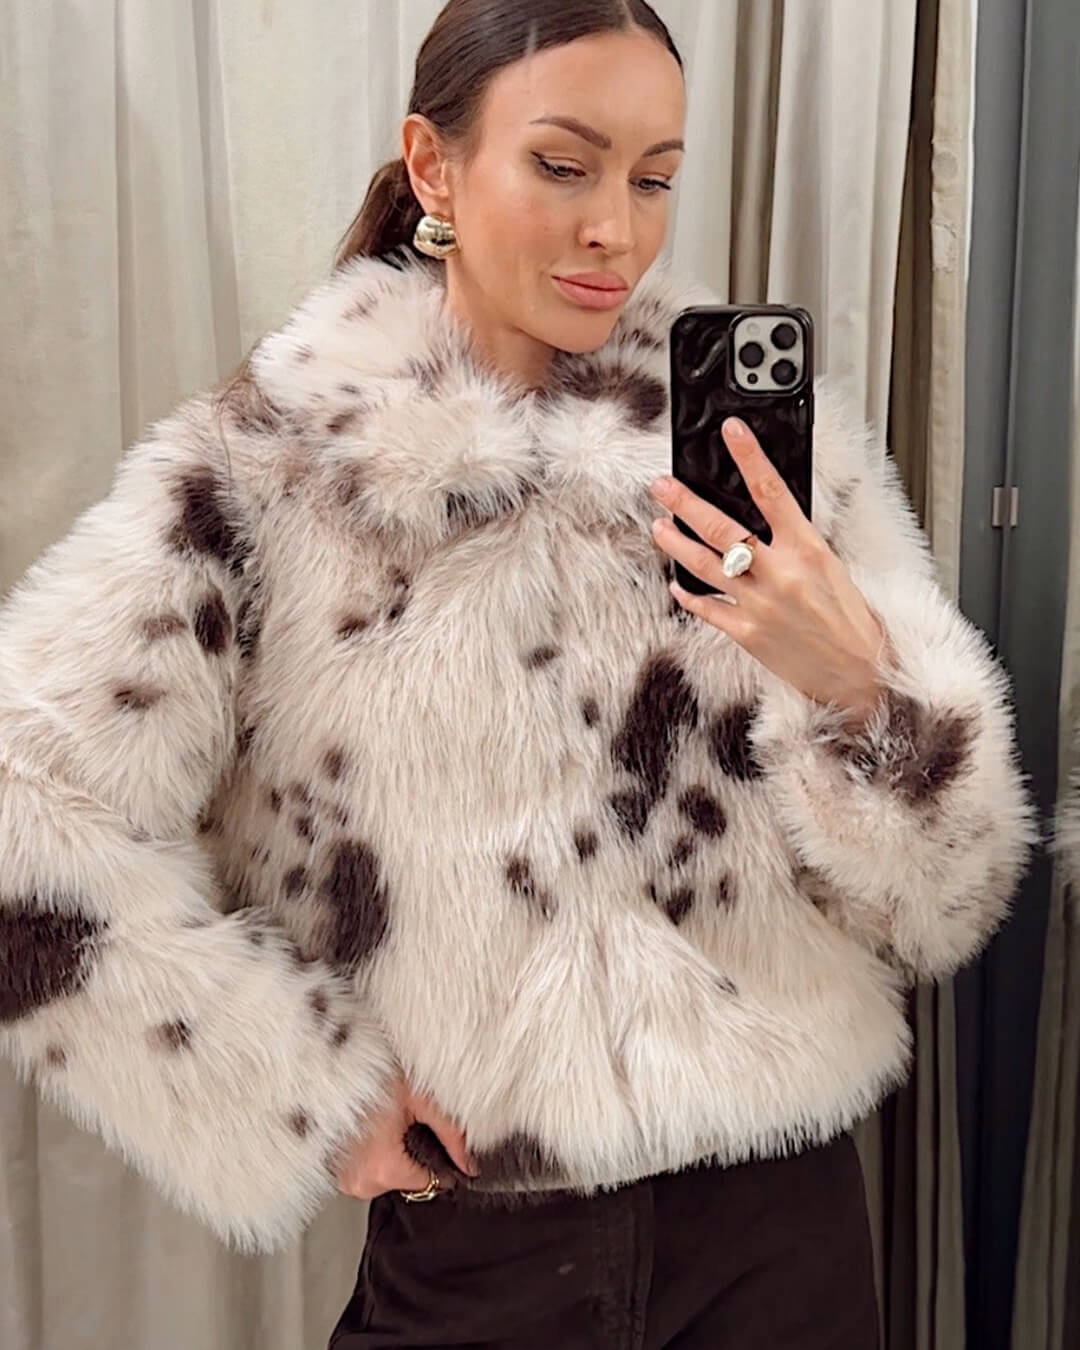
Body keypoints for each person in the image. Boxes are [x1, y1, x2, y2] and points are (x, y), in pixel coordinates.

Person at [0, 1, 1035, 1346]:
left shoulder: (773, 463)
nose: (617, 228)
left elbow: (943, 909)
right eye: (563, 164)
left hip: (779, 1227)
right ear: (434, 166)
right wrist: (300, 1090)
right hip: (480, 1241)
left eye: (654, 177)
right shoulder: (269, 472)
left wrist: (858, 692)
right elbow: (27, 818)